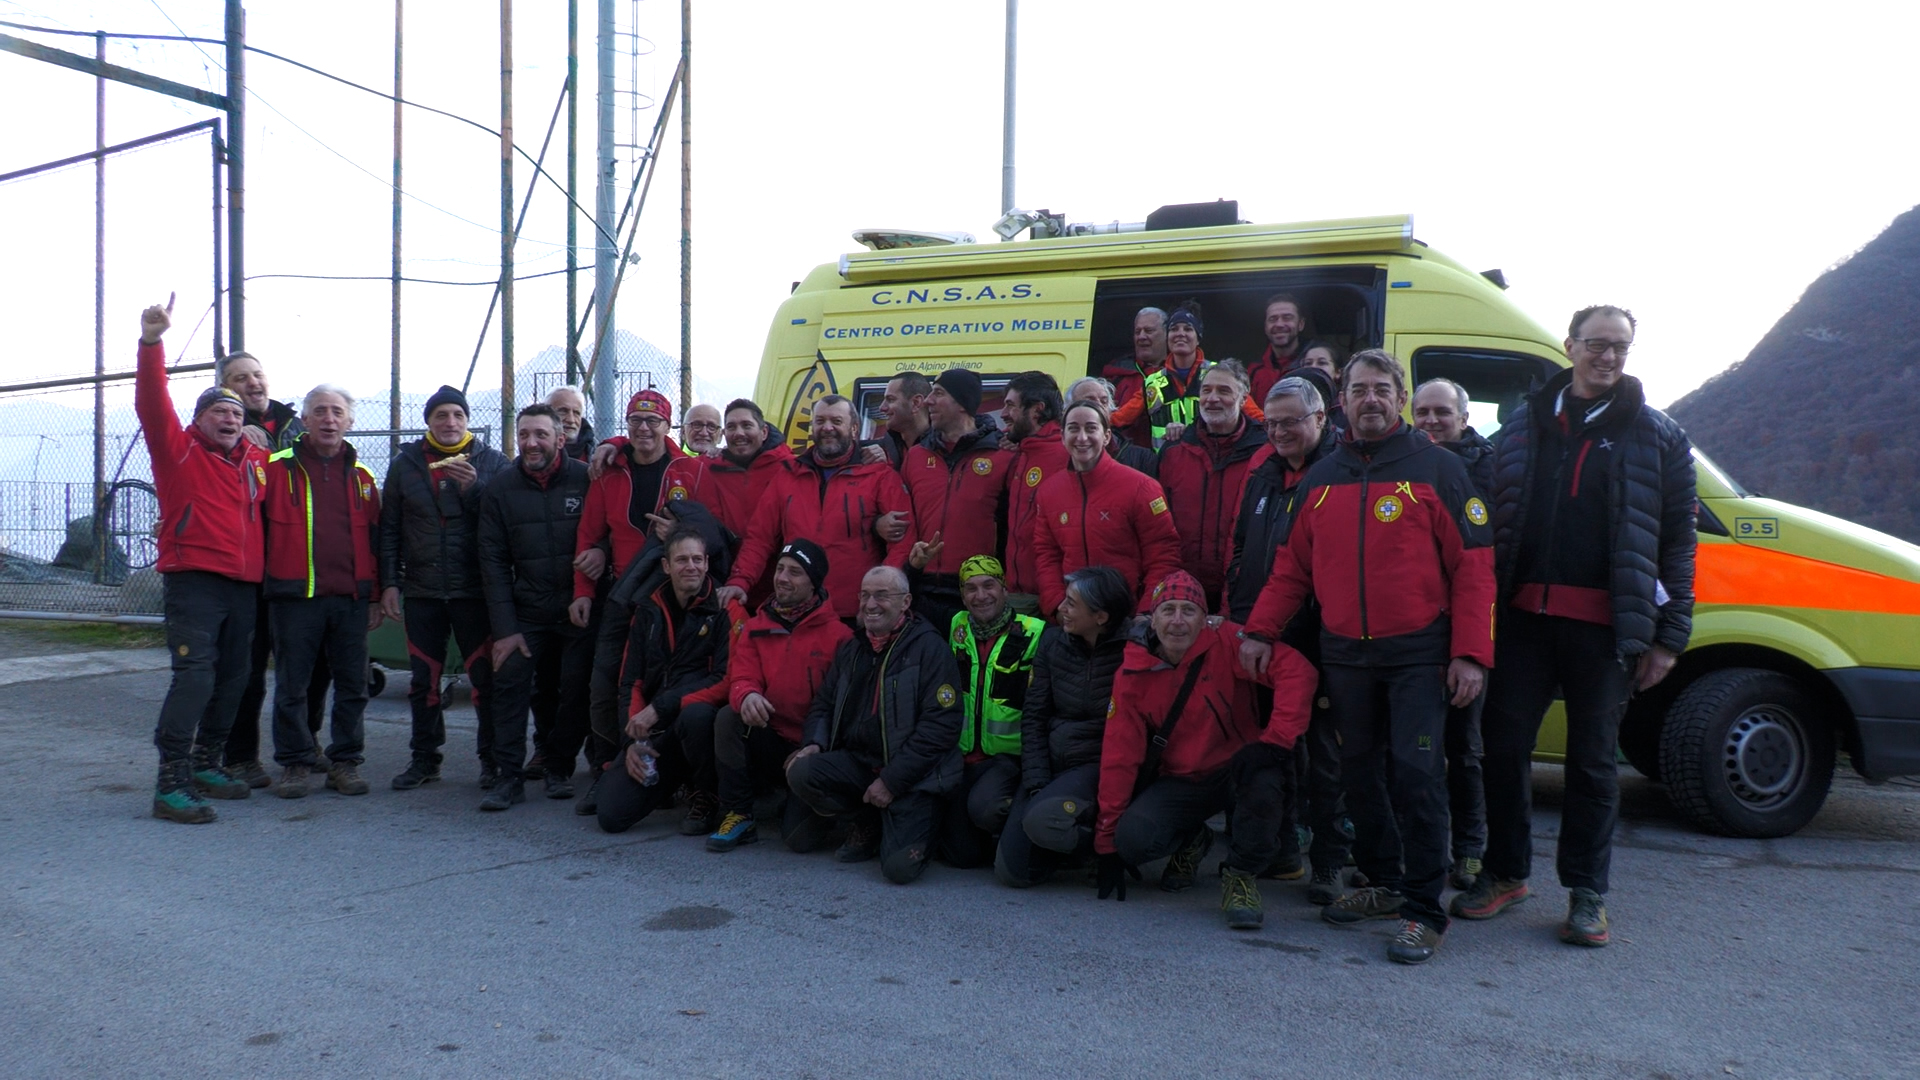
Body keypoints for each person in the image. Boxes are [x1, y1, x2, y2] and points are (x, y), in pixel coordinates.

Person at [1238, 349, 1495, 965]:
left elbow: (1476, 571)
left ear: (1399, 399)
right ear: (1343, 402)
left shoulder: (1438, 470)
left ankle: (1424, 910)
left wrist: (1470, 655)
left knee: (1416, 775)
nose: (1371, 399)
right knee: (1360, 776)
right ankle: (1382, 882)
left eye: (1382, 388)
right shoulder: (1324, 478)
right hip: (1346, 654)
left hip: (1418, 657)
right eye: (1360, 389)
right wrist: (1258, 632)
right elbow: (1291, 569)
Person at [1459, 305, 1696, 948]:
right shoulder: (1520, 426)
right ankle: (1505, 873)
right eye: (1597, 344)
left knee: (1592, 766)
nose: (1610, 357)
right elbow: (1486, 521)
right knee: (1502, 754)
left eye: (1621, 346)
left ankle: (1588, 894)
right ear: (1570, 346)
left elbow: (1678, 540)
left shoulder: (1659, 435)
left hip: (1602, 632)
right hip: (1522, 625)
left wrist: (1669, 634)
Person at [1093, 572, 1316, 931]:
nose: (1178, 621)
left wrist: (1274, 741)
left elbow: (1297, 672)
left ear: (1206, 618)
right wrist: (1106, 844)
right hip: (1183, 779)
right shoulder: (1133, 671)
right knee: (1131, 840)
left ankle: (1240, 877)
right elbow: (1120, 756)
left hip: (1239, 767)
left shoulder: (1228, 641)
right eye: (1168, 610)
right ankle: (1193, 838)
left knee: (1266, 784)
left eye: (1188, 611)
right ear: (1152, 618)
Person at [133, 295, 267, 823]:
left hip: (244, 584)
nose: (230, 418)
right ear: (199, 420)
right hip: (193, 581)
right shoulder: (178, 450)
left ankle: (209, 762)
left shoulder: (258, 461)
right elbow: (151, 401)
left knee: (235, 676)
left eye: (237, 413)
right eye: (219, 411)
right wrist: (151, 341)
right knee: (196, 677)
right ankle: (170, 782)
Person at [1224, 372, 1348, 903]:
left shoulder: (1342, 473)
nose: (1278, 432)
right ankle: (1281, 851)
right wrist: (1243, 617)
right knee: (1274, 748)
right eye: (1271, 423)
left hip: (1320, 637)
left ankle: (1329, 862)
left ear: (1320, 418)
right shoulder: (1265, 474)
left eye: (1291, 422)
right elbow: (1241, 548)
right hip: (1262, 633)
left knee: (1324, 758)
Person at [785, 566, 963, 884]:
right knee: (800, 772)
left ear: (906, 602)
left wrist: (892, 781)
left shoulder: (930, 649)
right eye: (865, 595)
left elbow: (940, 728)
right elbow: (823, 704)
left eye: (882, 595)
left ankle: (916, 822)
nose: (870, 604)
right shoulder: (852, 648)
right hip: (860, 763)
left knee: (898, 870)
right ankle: (865, 818)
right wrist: (814, 743)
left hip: (912, 777)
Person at [377, 385, 511, 791]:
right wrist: (389, 583)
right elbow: (390, 529)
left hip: (474, 591)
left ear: (467, 421)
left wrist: (475, 489)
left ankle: (492, 760)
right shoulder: (406, 464)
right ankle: (424, 759)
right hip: (423, 590)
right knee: (423, 681)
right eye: (441, 416)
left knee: (484, 681)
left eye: (457, 415)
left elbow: (503, 522)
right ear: (429, 422)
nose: (449, 423)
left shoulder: (493, 462)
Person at [262, 385, 383, 800]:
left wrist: (374, 596)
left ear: (350, 422)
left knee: (353, 686)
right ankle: (296, 763)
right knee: (292, 687)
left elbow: (377, 544)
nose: (329, 419)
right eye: (319, 412)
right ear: (306, 420)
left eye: (337, 412)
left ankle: (345, 762)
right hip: (294, 599)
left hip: (349, 600)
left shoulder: (364, 479)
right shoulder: (274, 470)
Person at [476, 404, 594, 811]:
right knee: (508, 685)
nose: (531, 443)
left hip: (577, 609)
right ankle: (508, 777)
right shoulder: (500, 489)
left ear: (561, 439)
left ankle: (558, 767)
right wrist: (506, 629)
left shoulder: (587, 478)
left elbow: (606, 532)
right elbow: (491, 563)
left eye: (541, 434)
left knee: (573, 691)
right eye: (524, 434)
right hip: (526, 614)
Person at [569, 390, 683, 802]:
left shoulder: (687, 471)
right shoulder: (610, 471)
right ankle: (606, 769)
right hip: (618, 595)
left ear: (668, 426)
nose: (644, 429)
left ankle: (663, 772)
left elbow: (709, 530)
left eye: (653, 421)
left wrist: (682, 535)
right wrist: (583, 591)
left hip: (670, 597)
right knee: (606, 683)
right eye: (635, 421)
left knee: (657, 686)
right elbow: (589, 534)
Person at [705, 540, 854, 852]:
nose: (783, 577)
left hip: (812, 750)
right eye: (780, 569)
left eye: (795, 572)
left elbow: (842, 709)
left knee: (799, 842)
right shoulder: (756, 626)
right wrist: (746, 695)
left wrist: (815, 746)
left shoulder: (839, 636)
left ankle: (821, 805)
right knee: (727, 718)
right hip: (771, 738)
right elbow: (741, 675)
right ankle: (739, 813)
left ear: (813, 583)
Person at [222, 352, 328, 787]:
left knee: (311, 664)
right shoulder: (220, 427)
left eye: (257, 374)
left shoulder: (295, 423)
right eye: (240, 378)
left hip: (298, 565)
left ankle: (306, 745)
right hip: (247, 570)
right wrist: (239, 442)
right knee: (246, 668)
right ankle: (240, 756)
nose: (252, 383)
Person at [996, 565, 1132, 887]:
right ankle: (1065, 839)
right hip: (1053, 763)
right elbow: (1034, 717)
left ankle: (1109, 848)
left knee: (1042, 821)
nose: (1060, 609)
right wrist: (1036, 782)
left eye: (1071, 604)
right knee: (1013, 872)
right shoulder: (1053, 643)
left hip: (1094, 766)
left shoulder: (1133, 650)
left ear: (1100, 617)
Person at [719, 395, 911, 622]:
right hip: (799, 611)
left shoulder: (879, 475)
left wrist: (878, 598)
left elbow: (903, 542)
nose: (827, 428)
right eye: (820, 421)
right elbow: (760, 538)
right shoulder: (789, 474)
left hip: (856, 612)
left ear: (854, 428)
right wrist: (739, 581)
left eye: (836, 421)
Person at [1412, 377, 1497, 888]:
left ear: (1465, 418)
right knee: (1413, 751)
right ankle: (1414, 849)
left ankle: (1468, 850)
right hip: (1416, 630)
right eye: (1421, 412)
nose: (1430, 421)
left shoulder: (1487, 473)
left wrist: (1473, 647)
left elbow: (1482, 566)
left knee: (1464, 749)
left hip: (1464, 628)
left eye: (1442, 412)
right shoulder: (1403, 464)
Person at [595, 526, 732, 835]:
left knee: (698, 716)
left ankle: (706, 795)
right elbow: (631, 681)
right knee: (611, 815)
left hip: (697, 728)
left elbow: (725, 680)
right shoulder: (648, 609)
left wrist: (660, 706)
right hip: (658, 734)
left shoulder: (724, 609)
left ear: (707, 563)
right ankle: (667, 784)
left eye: (698, 559)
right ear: (666, 566)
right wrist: (633, 740)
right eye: (682, 560)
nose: (691, 566)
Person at [933, 555, 1045, 868]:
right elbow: (908, 601)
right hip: (963, 756)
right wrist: (915, 565)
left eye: (988, 585)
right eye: (970, 588)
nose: (980, 596)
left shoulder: (1036, 633)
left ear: (1005, 589)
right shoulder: (955, 625)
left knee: (984, 808)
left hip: (1009, 760)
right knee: (962, 856)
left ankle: (1016, 832)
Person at [1031, 399, 1181, 618]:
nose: (1082, 438)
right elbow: (1047, 554)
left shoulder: (1141, 487)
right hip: (1072, 619)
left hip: (1126, 619)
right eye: (1073, 429)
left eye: (1091, 428)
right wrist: (1056, 604)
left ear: (1107, 436)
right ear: (1063, 437)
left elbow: (1163, 556)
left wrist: (1147, 611)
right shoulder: (1048, 492)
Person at [901, 368, 1012, 632]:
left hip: (977, 594)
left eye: (938, 394)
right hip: (920, 587)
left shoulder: (1003, 456)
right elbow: (901, 516)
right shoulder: (916, 456)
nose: (928, 401)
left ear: (962, 403)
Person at [657, 398, 796, 607]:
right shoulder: (708, 466)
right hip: (726, 583)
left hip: (779, 586)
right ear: (724, 435)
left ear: (764, 432)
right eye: (732, 427)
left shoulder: (790, 469)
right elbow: (660, 458)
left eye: (746, 425)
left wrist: (865, 452)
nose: (739, 433)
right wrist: (616, 445)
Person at [1155, 359, 1266, 611]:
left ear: (1243, 398)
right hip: (1181, 593)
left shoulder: (1264, 455)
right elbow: (1159, 531)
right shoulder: (1174, 452)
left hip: (1244, 594)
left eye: (1224, 391)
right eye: (1206, 390)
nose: (1212, 398)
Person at [999, 371, 1067, 615]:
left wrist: (1056, 600)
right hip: (1018, 595)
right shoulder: (1023, 452)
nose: (1003, 414)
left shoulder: (1064, 454)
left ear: (1037, 410)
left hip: (1049, 600)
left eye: (1010, 405)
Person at [1100, 306, 1167, 449]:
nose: (1141, 336)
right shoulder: (1116, 375)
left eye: (1149, 331)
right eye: (1138, 332)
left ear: (1167, 334)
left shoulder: (1180, 373)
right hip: (1125, 458)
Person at [1066, 376, 1156, 476]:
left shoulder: (1143, 459)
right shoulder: (1057, 455)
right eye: (1090, 401)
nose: (1099, 406)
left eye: (1104, 401)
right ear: (1068, 410)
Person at [1246, 293, 1309, 410]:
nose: (1279, 324)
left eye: (1287, 318)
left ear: (1301, 324)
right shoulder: (1253, 372)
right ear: (1266, 327)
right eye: (1273, 319)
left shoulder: (1312, 366)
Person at [864, 372, 931, 468]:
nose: (882, 408)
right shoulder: (882, 449)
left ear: (916, 403)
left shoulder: (944, 448)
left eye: (890, 399)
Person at [1298, 340, 1349, 431]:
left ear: (1338, 372)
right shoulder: (1294, 404)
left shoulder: (1346, 407)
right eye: (1308, 363)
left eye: (1322, 363)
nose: (1313, 367)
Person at [547, 385, 596, 463]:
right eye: (563, 411)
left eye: (576, 413)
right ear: (546, 414)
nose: (571, 420)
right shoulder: (535, 452)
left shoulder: (597, 455)